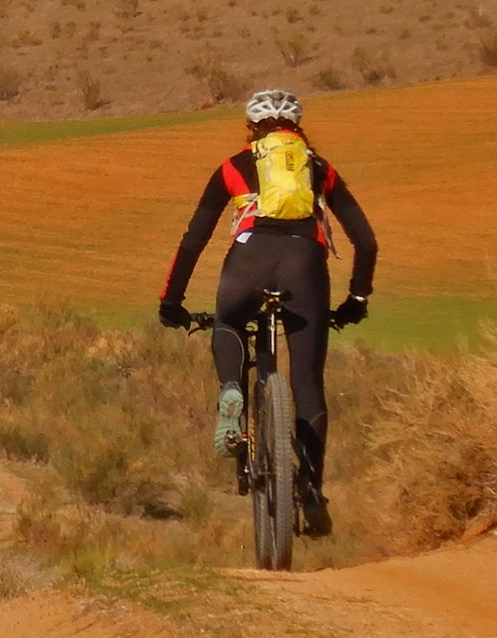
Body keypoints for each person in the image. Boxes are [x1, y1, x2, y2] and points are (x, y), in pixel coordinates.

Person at [157, 88, 378, 537]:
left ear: (251, 128)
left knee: (230, 321)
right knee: (308, 386)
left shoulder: (234, 167)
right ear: (297, 128)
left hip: (247, 261)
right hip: (305, 268)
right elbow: (366, 242)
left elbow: (193, 239)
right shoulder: (319, 169)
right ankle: (312, 489)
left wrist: (172, 301)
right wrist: (356, 300)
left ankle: (233, 391)